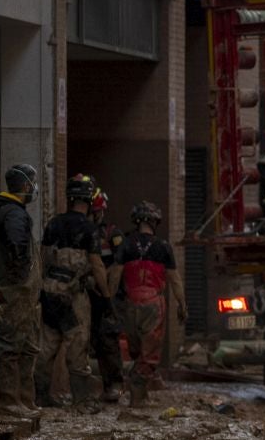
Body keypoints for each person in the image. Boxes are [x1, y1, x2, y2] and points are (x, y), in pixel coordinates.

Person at [39, 174, 106, 409]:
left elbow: (43, 258)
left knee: (47, 343)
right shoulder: (90, 229)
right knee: (77, 343)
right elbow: (96, 265)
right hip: (73, 294)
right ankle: (82, 399)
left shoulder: (53, 223)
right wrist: (106, 295)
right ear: (88, 200)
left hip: (48, 291)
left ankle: (41, 397)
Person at [115, 201, 184, 404]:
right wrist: (182, 304)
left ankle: (139, 393)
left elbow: (114, 276)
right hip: (154, 303)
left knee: (135, 349)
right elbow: (174, 279)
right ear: (155, 222)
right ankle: (137, 393)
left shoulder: (126, 244)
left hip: (130, 303)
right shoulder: (163, 247)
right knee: (149, 352)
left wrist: (110, 300)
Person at [0, 166, 39, 416]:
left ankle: (24, 399)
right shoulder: (14, 214)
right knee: (10, 345)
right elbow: (18, 246)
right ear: (26, 186)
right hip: (15, 290)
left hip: (22, 291)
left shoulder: (8, 211)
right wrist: (20, 280)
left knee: (27, 345)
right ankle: (8, 401)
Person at [89, 189, 125, 402]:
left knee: (108, 340)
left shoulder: (112, 233)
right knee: (95, 341)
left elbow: (118, 264)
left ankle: (115, 384)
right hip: (89, 294)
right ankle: (104, 385)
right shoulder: (84, 231)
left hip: (108, 295)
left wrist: (107, 292)